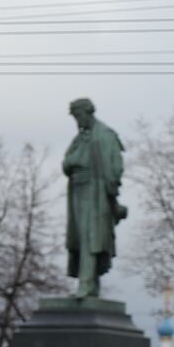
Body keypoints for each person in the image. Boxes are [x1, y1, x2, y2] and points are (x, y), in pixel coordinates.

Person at [62, 98, 127, 299]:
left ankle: (86, 283)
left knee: (91, 237)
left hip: (95, 191)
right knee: (82, 238)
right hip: (77, 190)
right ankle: (91, 285)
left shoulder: (105, 136)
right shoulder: (80, 138)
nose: (77, 121)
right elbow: (66, 163)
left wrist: (111, 192)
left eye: (78, 116)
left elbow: (115, 166)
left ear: (88, 112)